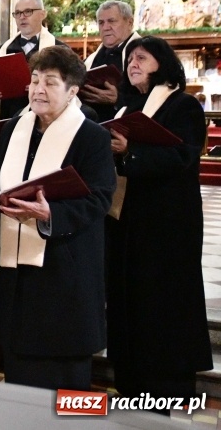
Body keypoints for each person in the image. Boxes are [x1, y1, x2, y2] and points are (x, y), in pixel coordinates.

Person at [0, 46, 115, 392]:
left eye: (50, 82)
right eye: (34, 81)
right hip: (16, 276)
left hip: (63, 271)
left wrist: (51, 214)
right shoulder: (16, 127)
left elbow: (100, 199)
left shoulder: (92, 136)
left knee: (63, 378)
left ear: (72, 91)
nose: (38, 90)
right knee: (19, 370)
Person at [105, 36, 212, 412]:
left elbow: (182, 156)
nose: (132, 63)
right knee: (127, 299)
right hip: (126, 221)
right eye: (129, 59)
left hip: (167, 224)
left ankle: (166, 389)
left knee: (162, 304)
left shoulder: (183, 106)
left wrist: (129, 152)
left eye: (141, 58)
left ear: (162, 64)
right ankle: (130, 387)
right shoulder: (127, 107)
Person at [0, 0, 66, 119]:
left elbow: (71, 89)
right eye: (17, 13)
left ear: (42, 14)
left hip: (45, 122)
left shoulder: (61, 51)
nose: (22, 17)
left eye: (28, 12)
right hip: (8, 122)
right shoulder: (1, 51)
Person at [80, 0, 142, 122]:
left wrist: (118, 99)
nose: (106, 27)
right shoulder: (91, 60)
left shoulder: (146, 56)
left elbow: (154, 95)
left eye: (112, 21)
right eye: (101, 23)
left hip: (126, 128)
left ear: (129, 23)